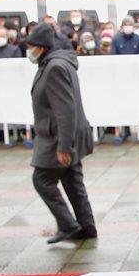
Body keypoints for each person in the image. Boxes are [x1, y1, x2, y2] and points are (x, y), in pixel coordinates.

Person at [26, 23, 96, 244]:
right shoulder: (56, 63)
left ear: (41, 47)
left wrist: (64, 146)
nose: (29, 50)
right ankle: (86, 226)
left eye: (31, 46)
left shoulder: (54, 67)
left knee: (42, 180)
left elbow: (65, 110)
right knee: (72, 182)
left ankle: (68, 225)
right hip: (64, 134)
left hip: (58, 136)